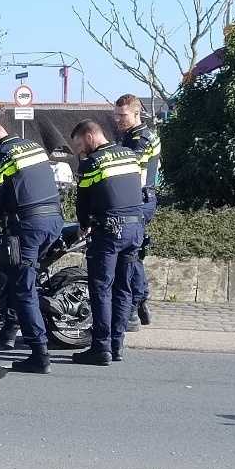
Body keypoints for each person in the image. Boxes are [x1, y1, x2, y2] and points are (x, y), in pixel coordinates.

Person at [0, 121, 65, 374]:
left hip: (28, 225)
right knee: (17, 275)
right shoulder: (33, 147)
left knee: (23, 288)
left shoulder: (0, 156)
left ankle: (39, 354)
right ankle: (9, 330)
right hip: (53, 221)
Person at [69, 119, 145, 366]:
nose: (80, 150)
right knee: (123, 288)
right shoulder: (129, 155)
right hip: (135, 229)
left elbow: (83, 202)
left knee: (101, 289)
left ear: (90, 137)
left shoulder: (91, 163)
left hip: (110, 232)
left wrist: (83, 226)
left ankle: (101, 348)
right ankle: (117, 345)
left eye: (80, 144)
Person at [114, 93, 162, 329]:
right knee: (132, 254)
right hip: (137, 200)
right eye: (116, 115)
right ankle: (139, 301)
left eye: (123, 115)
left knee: (129, 254)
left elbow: (129, 166)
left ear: (136, 113)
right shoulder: (130, 135)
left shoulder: (142, 138)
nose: (118, 119)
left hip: (140, 201)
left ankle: (133, 306)